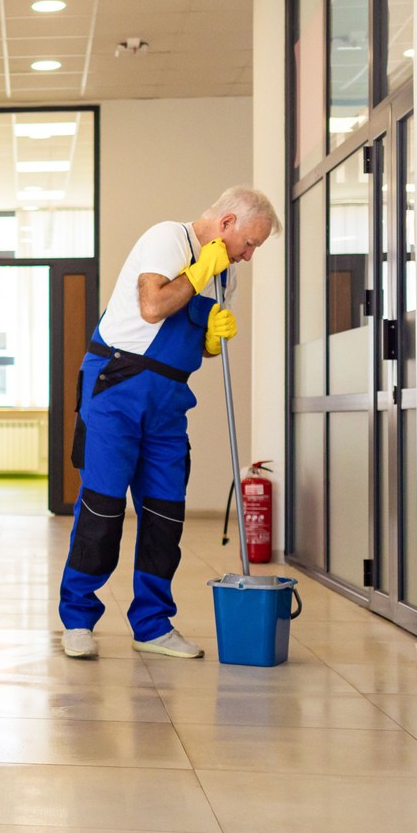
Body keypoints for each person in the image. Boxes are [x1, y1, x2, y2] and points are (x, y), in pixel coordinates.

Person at [59, 187, 281, 661]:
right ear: (225, 224)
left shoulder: (227, 279)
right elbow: (153, 307)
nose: (249, 254)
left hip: (168, 401)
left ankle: (153, 624)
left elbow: (192, 341)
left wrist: (212, 342)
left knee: (164, 514)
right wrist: (201, 270)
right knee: (102, 507)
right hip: (117, 386)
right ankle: (77, 619)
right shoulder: (169, 239)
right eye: (249, 243)